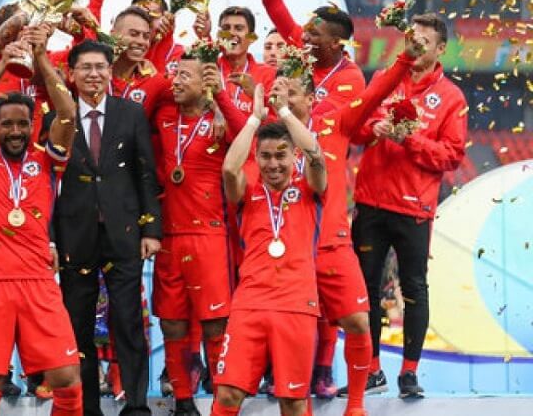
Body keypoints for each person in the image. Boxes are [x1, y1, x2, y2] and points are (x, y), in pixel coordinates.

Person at [274, 33, 423, 414]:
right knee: (297, 332)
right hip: (289, 252)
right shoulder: (270, 137)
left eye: (293, 93)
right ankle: (301, 406)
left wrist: (405, 59)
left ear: (311, 98)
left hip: (333, 245)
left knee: (358, 320)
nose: (286, 99)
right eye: (281, 92)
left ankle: (355, 406)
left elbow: (374, 95)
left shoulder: (336, 124)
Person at [0, 25, 83, 415]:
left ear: (33, 126)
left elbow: (68, 113)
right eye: (7, 124)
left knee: (67, 379)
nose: (15, 131)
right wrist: (1, 66)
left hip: (37, 281)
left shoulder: (48, 160)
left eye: (23, 124)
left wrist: (41, 57)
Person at [350, 13, 467, 399]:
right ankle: (372, 370)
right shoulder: (386, 78)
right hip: (370, 202)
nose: (415, 47)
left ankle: (410, 372)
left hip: (414, 208)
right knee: (365, 288)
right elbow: (355, 127)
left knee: (414, 288)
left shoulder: (451, 97)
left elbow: (451, 156)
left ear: (440, 49)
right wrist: (374, 129)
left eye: (423, 42)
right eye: (411, 40)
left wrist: (409, 139)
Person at [50, 40, 162, 416]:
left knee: (128, 320)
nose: (93, 74)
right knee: (77, 323)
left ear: (110, 71)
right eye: (86, 67)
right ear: (71, 74)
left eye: (100, 67)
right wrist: (50, 239)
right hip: (75, 235)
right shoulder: (58, 117)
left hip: (124, 233)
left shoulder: (130, 113)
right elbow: (48, 184)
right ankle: (87, 407)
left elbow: (145, 173)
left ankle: (136, 403)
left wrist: (151, 229)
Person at [213, 85, 327, 416]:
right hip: (250, 303)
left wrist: (285, 112)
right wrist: (254, 119)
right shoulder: (246, 192)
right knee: (227, 394)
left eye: (281, 155)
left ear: (294, 156)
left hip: (296, 304)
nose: (273, 164)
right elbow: (229, 169)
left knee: (293, 402)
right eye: (265, 156)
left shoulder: (309, 188)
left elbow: (316, 155)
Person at [151, 53, 247, 416]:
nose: (175, 81)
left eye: (184, 76)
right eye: (174, 75)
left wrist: (220, 98)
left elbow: (247, 134)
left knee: (216, 323)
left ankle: (221, 403)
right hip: (168, 237)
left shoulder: (218, 123)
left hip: (209, 235)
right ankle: (183, 400)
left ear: (204, 83)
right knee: (171, 322)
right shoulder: (163, 116)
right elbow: (145, 94)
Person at [260, 0, 365, 115]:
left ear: (335, 43)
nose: (304, 36)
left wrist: (261, 98)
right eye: (306, 30)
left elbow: (314, 120)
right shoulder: (301, 45)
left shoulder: (350, 79)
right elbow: (272, 2)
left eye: (313, 33)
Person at [193, 7, 276, 113]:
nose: (231, 33)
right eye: (226, 28)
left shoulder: (268, 74)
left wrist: (256, 94)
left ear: (251, 38)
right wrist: (204, 36)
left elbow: (276, 116)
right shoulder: (208, 68)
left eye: (239, 28)